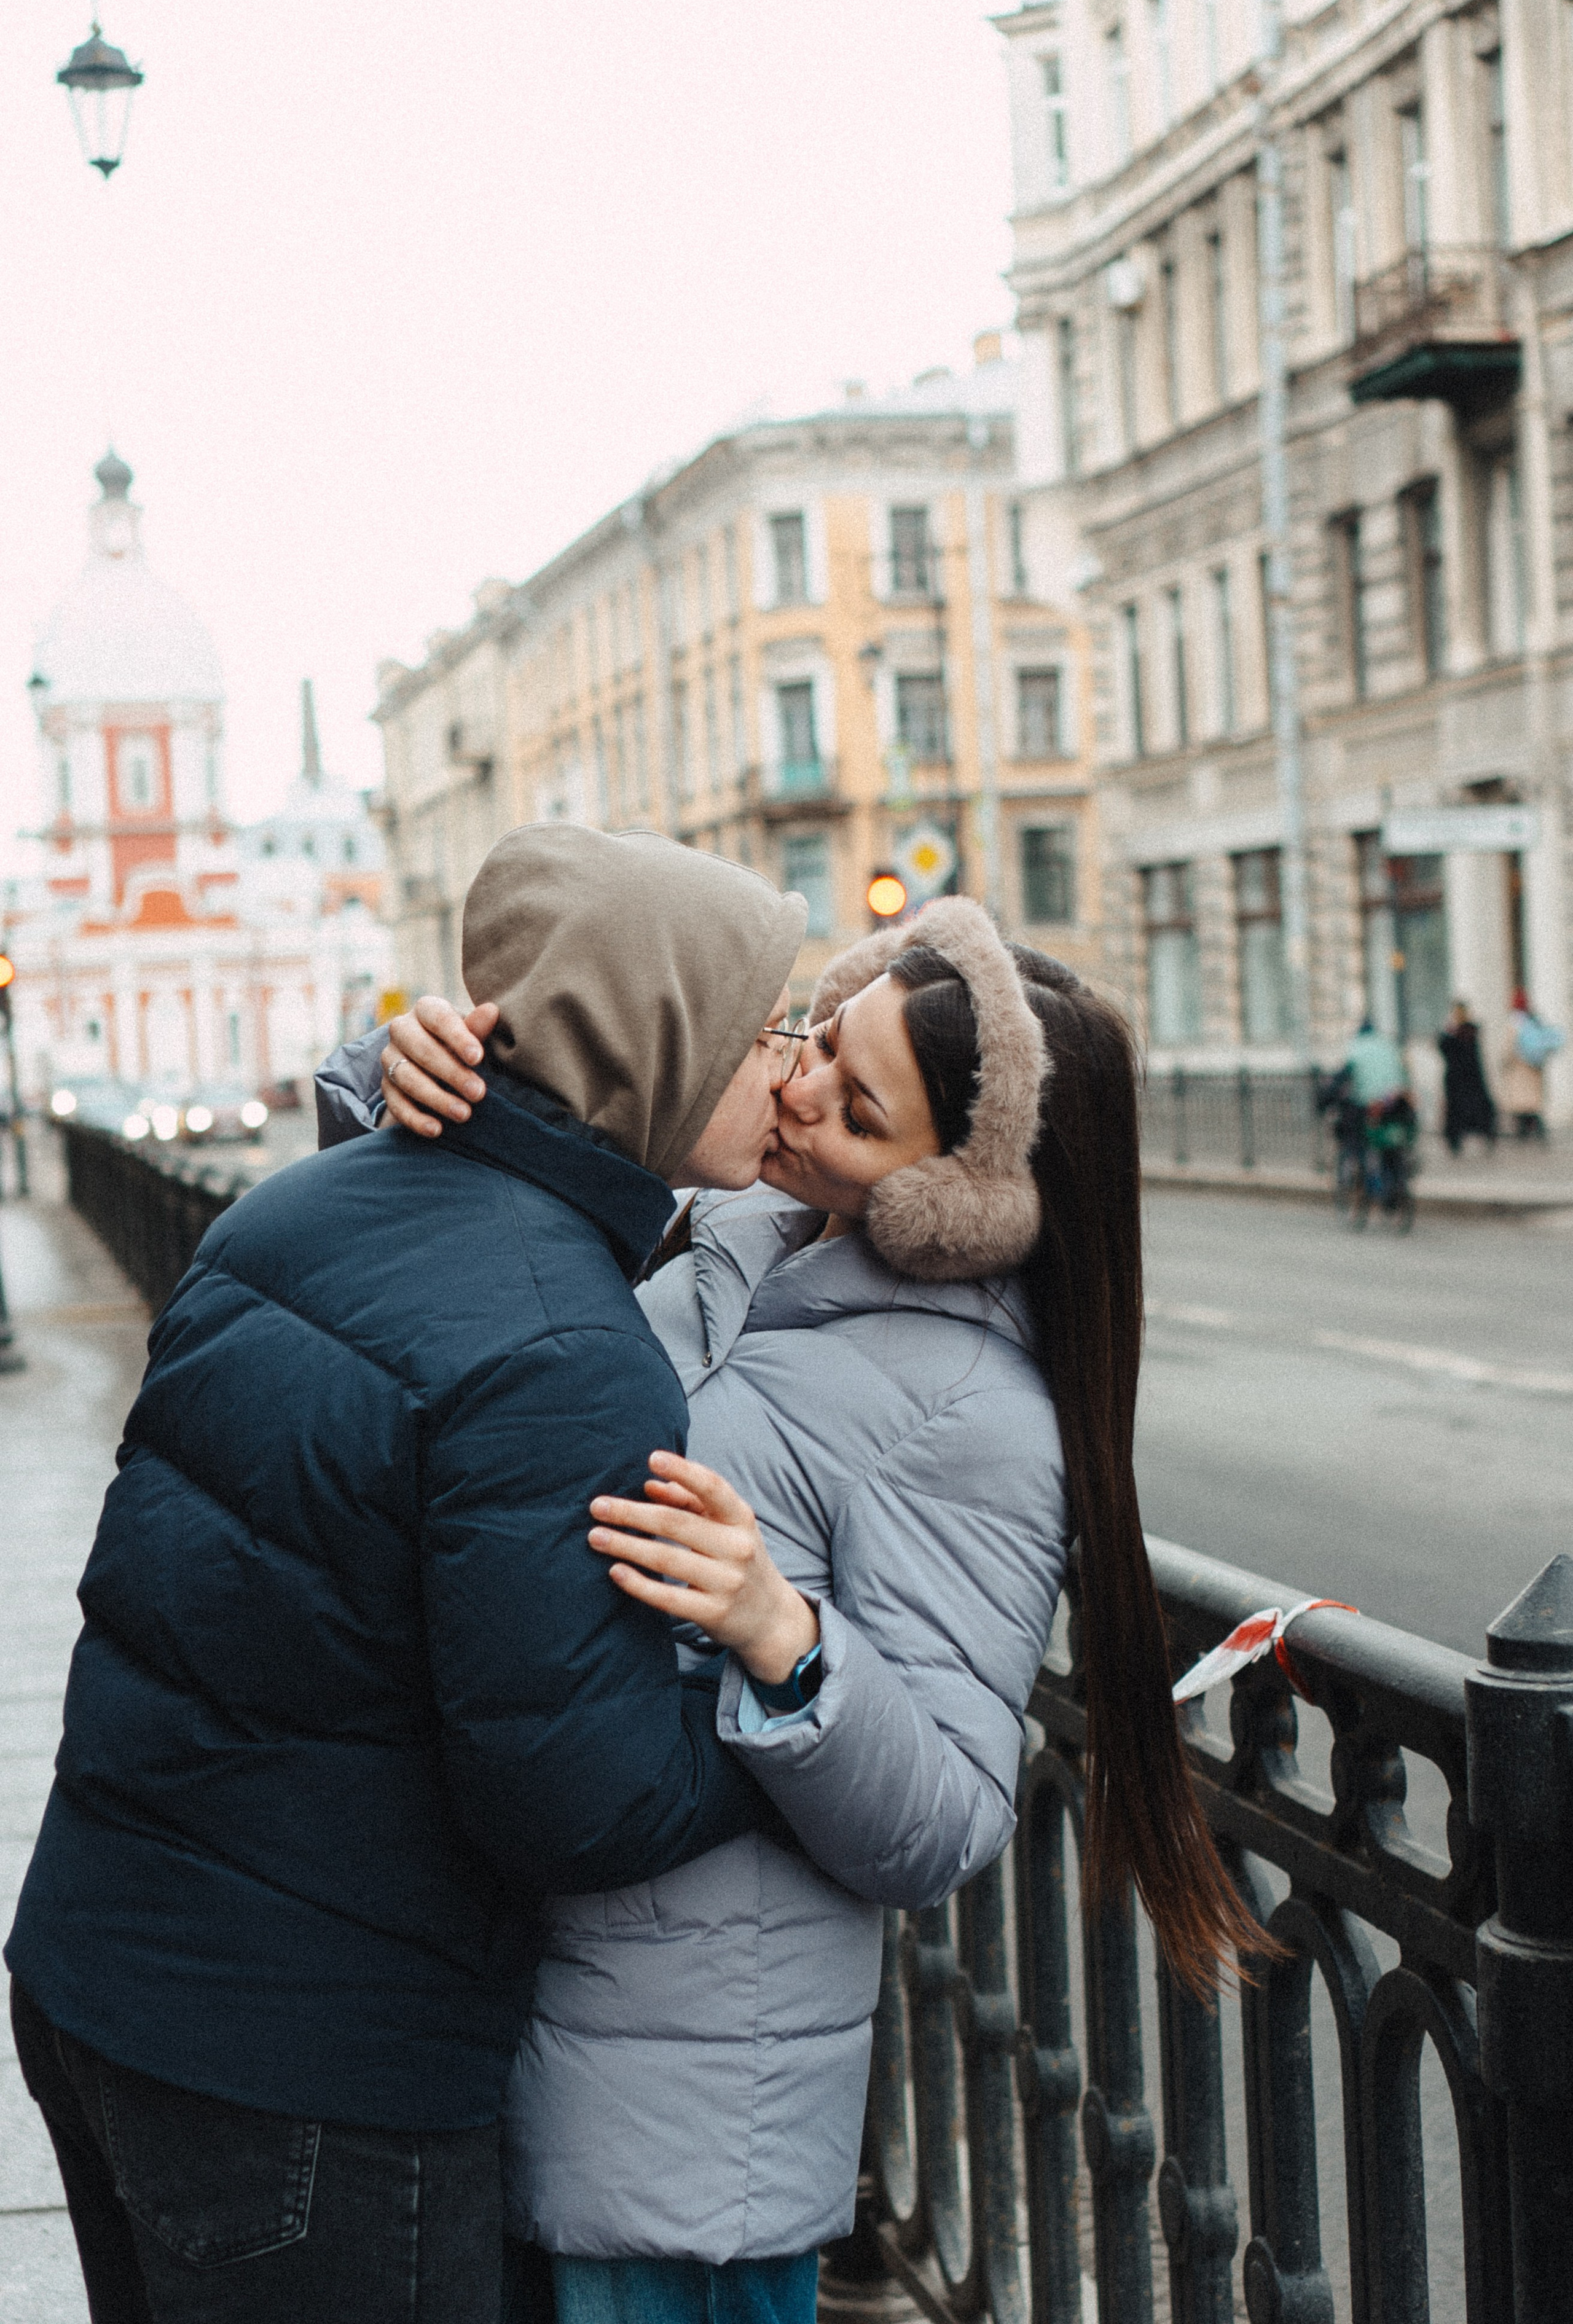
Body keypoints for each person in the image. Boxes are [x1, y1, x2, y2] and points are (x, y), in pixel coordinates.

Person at [329, 894, 1269, 2324]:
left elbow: (947, 1816)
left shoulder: (976, 1415)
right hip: (514, 2012)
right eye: (821, 1033)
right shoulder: (734, 1236)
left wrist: (787, 1638)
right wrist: (416, 1067)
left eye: (857, 1098)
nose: (801, 1083)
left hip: (687, 2134)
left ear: (954, 1189)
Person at [6, 824, 809, 2324]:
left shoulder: (291, 1209)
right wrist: (795, 1707)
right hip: (310, 2075)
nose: (788, 1068)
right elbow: (571, 1798)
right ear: (659, 1039)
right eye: (764, 1030)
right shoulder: (565, 1343)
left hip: (95, 1972)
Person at [1500, 985, 1564, 1141]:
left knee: (1522, 1106)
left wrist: (1505, 1063)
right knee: (1533, 1105)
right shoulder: (1533, 1020)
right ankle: (1538, 1134)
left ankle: (1525, 1135)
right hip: (1534, 1070)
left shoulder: (1514, 1024)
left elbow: (1508, 1049)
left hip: (1519, 1071)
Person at [1436, 1000, 1496, 1155]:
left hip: (1469, 1079)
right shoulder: (1454, 1033)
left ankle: (1483, 1136)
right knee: (1459, 1113)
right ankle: (1456, 1141)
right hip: (1459, 1081)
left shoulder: (1468, 1031)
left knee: (1477, 1111)